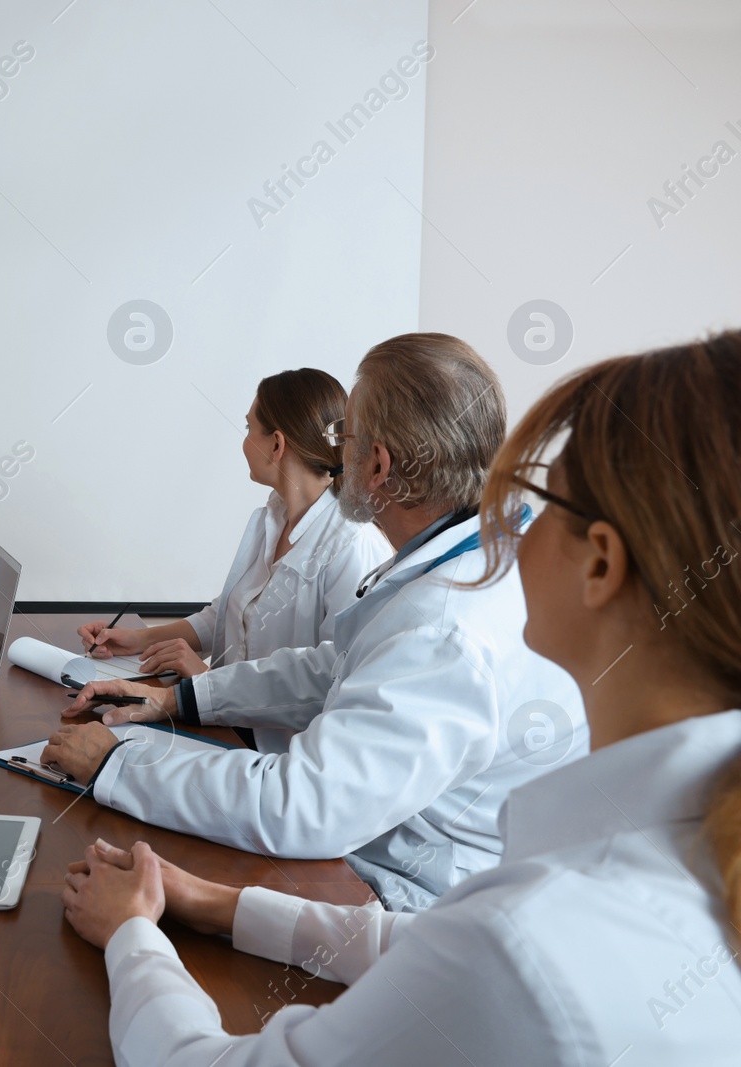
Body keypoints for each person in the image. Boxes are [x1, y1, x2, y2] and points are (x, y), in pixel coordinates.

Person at [60, 331, 741, 1065]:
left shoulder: (456, 627)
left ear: (601, 563)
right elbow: (341, 666)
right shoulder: (669, 852)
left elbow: (312, 815)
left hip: (404, 879)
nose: (509, 517)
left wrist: (132, 929)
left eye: (538, 497)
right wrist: (219, 901)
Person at [54, 334, 585, 910]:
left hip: (413, 902)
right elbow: (336, 668)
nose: (337, 451)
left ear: (378, 465)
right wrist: (176, 701)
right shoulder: (477, 561)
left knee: (118, 889)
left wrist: (117, 762)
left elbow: (302, 807)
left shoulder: (445, 628)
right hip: (375, 848)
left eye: (346, 437)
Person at [78, 369, 391, 752]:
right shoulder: (273, 519)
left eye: (248, 429)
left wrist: (205, 681)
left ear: (277, 444)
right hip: (226, 723)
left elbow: (333, 679)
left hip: (278, 752)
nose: (243, 442)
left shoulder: (352, 545)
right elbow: (226, 613)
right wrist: (138, 639)